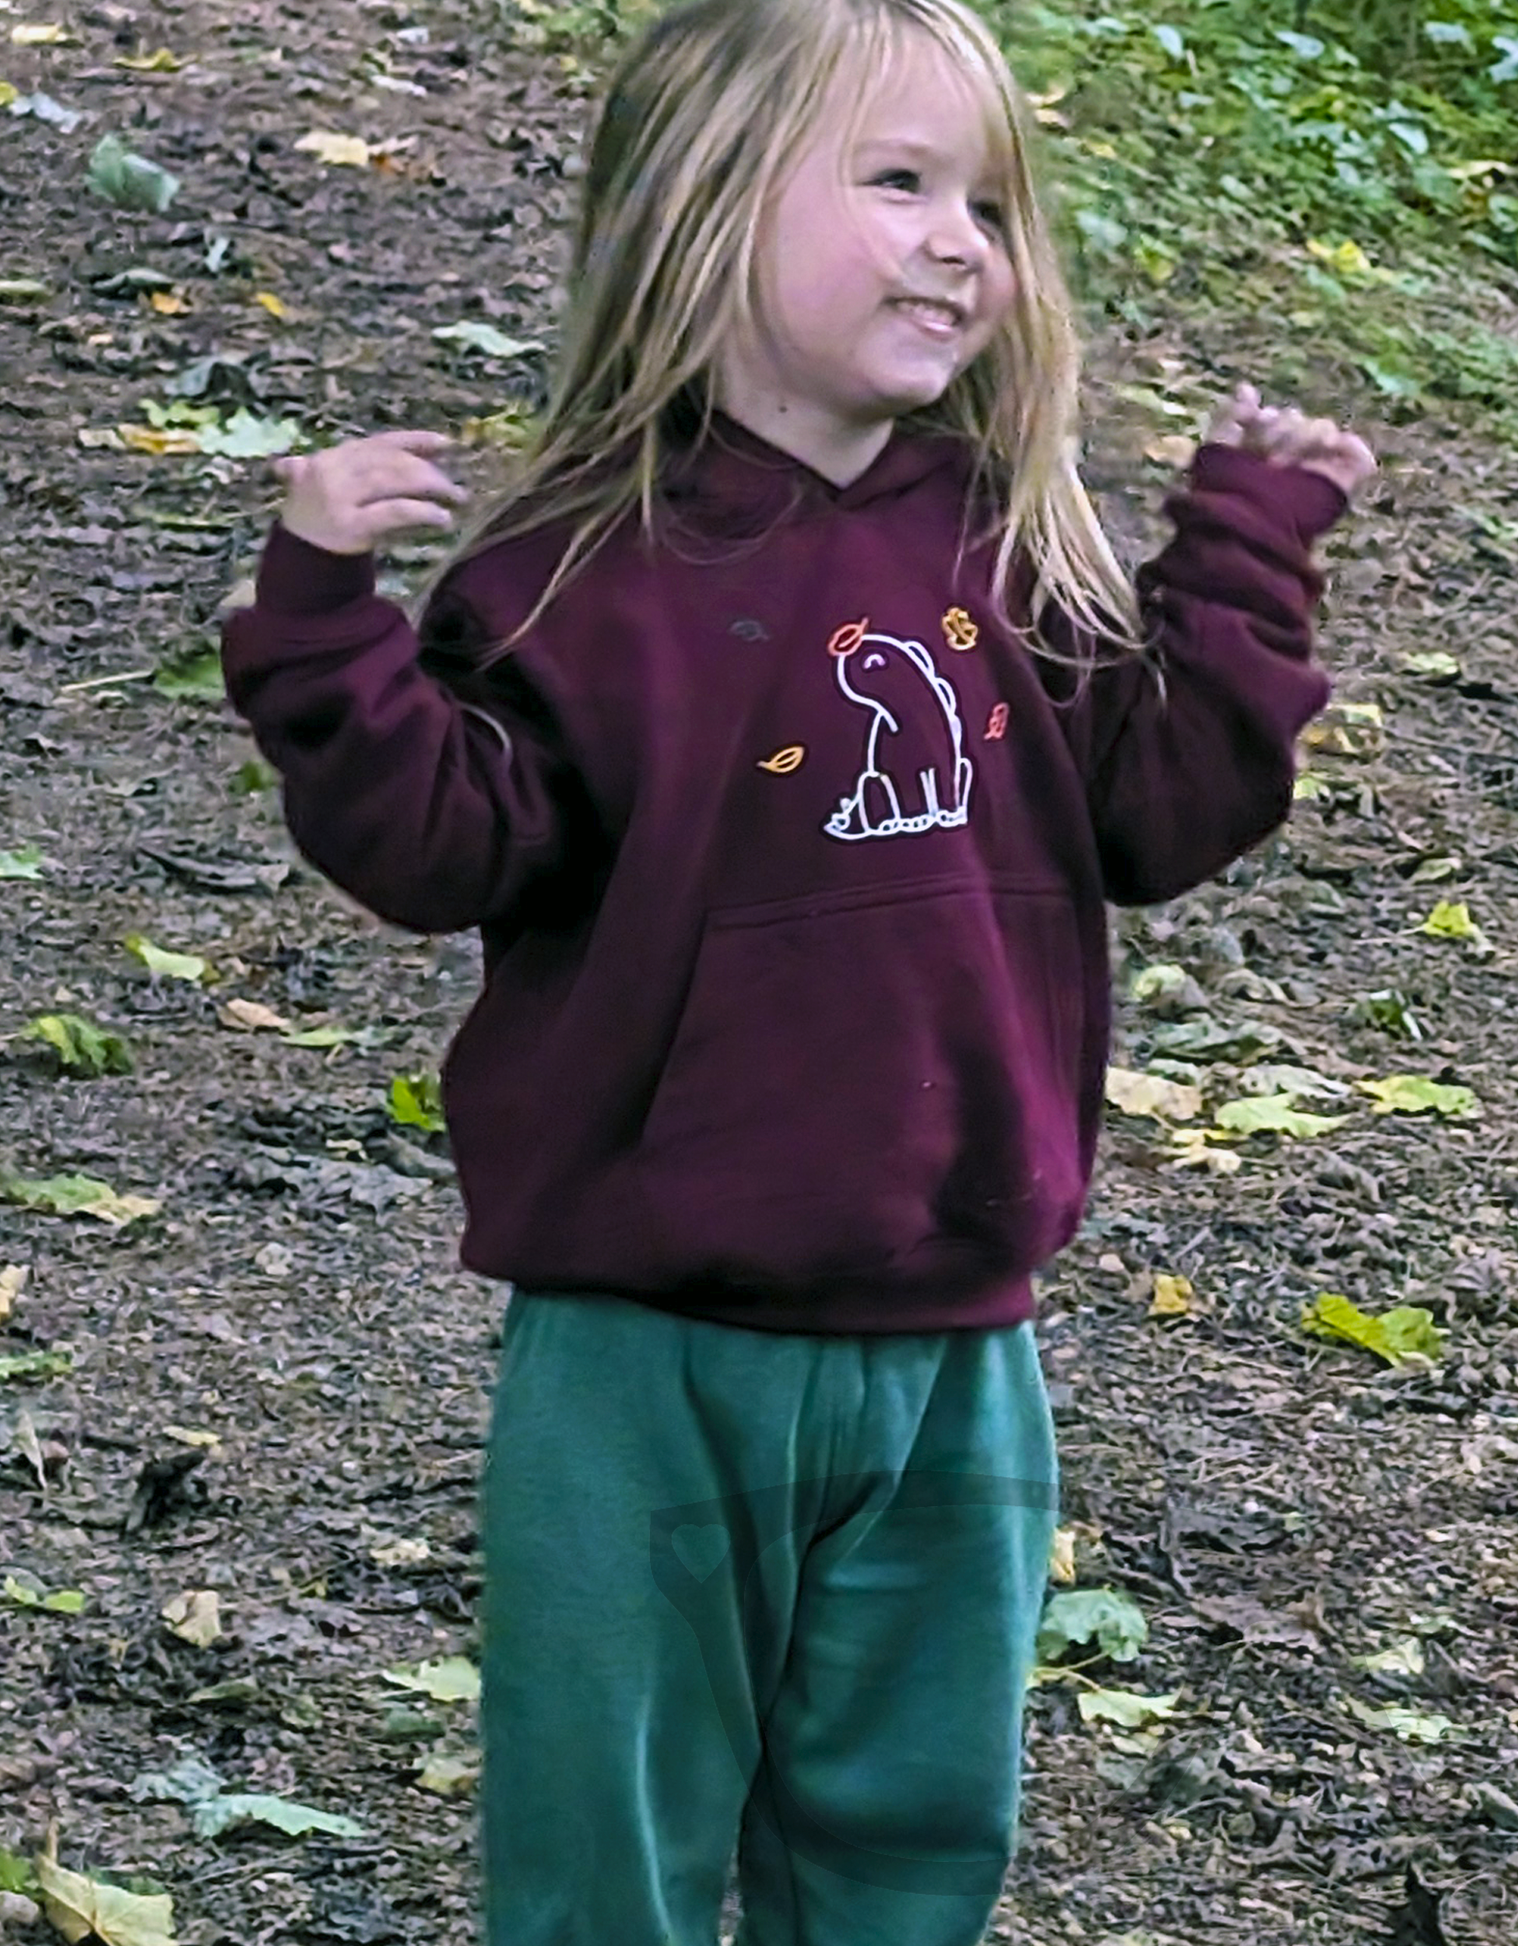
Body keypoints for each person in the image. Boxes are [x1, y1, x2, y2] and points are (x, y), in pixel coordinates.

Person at [220, 0, 1374, 1939]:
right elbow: (440, 842)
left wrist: (1241, 559)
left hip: (954, 1345)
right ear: (702, 206)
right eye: (900, 182)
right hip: (647, 1353)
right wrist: (323, 624)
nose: (962, 243)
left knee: (910, 1837)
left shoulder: (1009, 547)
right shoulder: (573, 572)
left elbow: (1164, 810)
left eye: (989, 202)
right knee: (614, 1846)